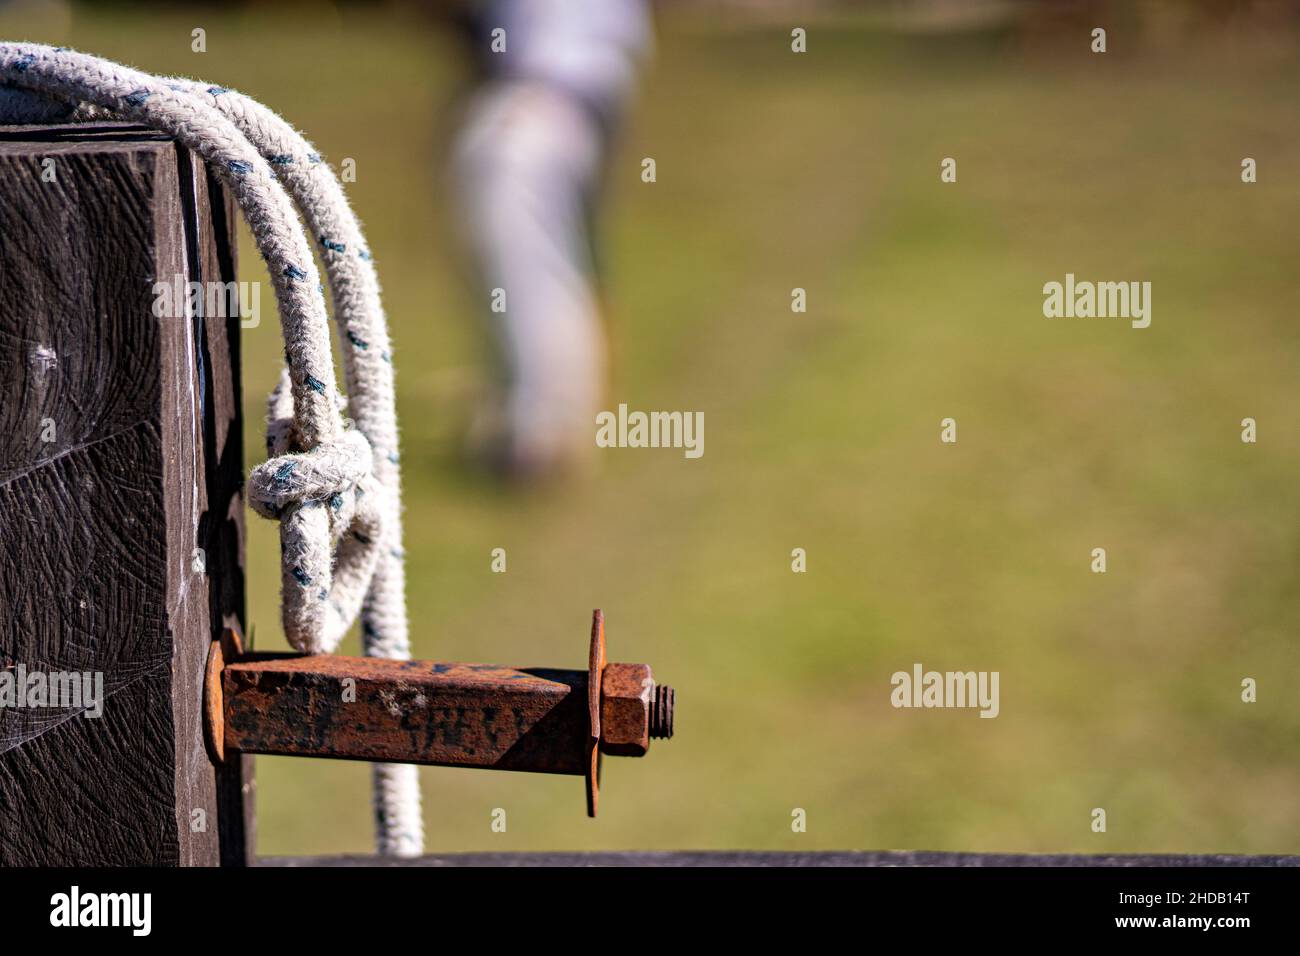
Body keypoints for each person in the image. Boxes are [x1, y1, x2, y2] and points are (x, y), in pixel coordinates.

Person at [452, 0, 653, 477]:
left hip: (548, 95)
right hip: (578, 95)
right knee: (544, 258)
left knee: (527, 263)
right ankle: (536, 414)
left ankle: (544, 430)